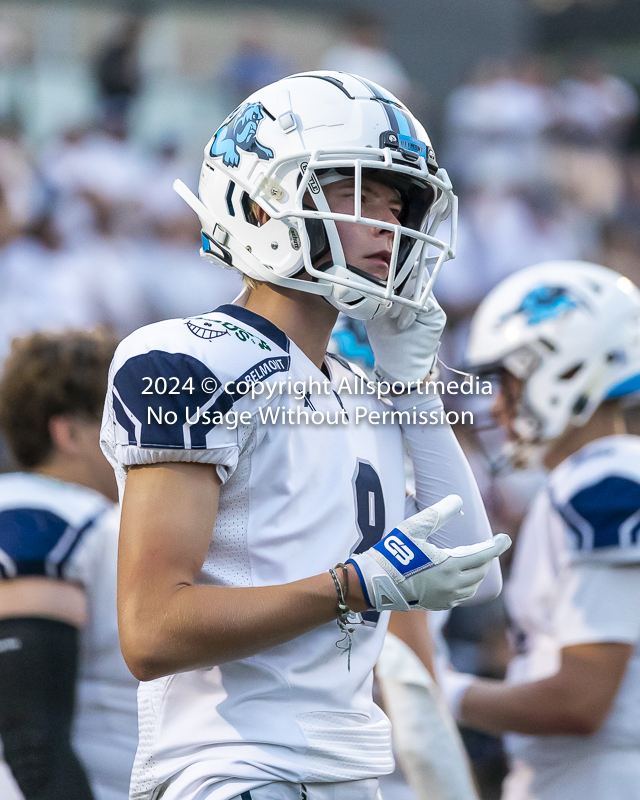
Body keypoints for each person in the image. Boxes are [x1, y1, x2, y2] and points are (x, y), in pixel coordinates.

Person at [101, 71, 510, 800]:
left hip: (348, 771)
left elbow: (473, 570)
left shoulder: (359, 383)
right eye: (358, 191)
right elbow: (152, 627)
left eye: (400, 200)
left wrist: (413, 389)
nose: (390, 222)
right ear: (263, 202)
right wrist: (352, 587)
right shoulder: (190, 357)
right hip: (235, 769)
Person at [442, 261, 640, 800]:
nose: (497, 405)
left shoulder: (604, 482)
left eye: (508, 380)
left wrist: (441, 691)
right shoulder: (595, 477)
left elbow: (580, 701)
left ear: (566, 368)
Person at [0, 330, 139, 800]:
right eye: (122, 417)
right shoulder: (43, 518)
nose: (139, 434)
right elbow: (31, 739)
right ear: (70, 433)